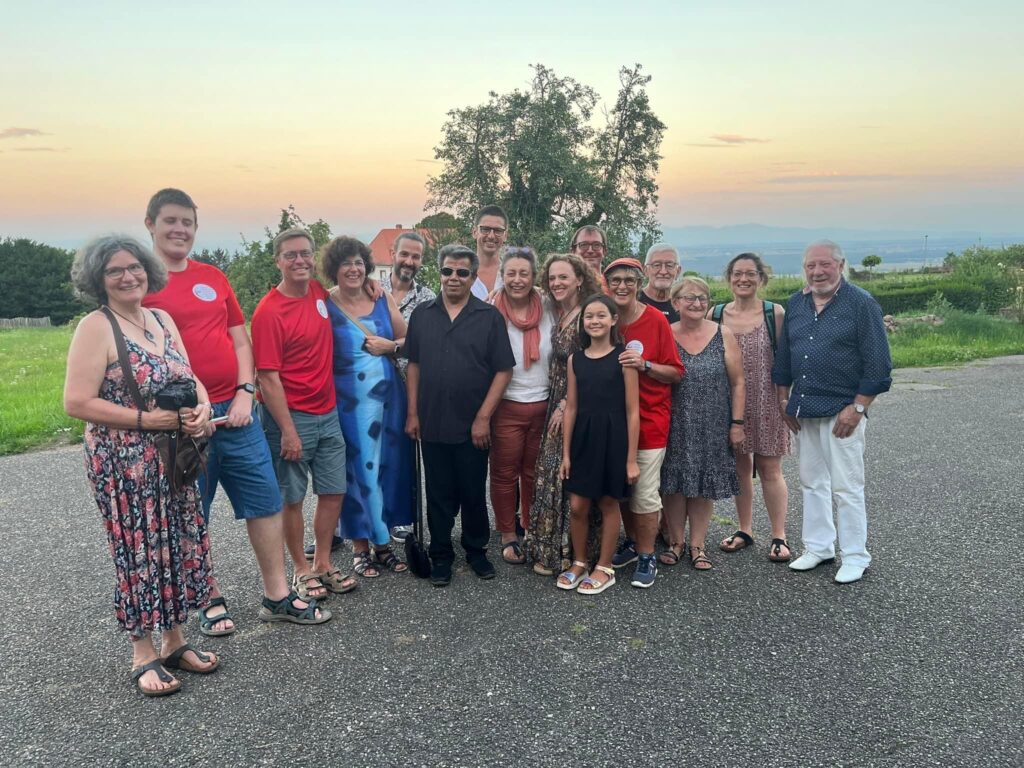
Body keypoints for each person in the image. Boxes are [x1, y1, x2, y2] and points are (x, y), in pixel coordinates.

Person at [142, 189, 328, 631]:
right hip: (183, 421)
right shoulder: (138, 282)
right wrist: (187, 410)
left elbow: (239, 337)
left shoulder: (213, 277)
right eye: (170, 221)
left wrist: (246, 391)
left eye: (187, 222)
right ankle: (207, 597)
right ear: (150, 224)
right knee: (191, 511)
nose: (179, 230)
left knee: (265, 503)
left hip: (237, 411)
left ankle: (277, 595)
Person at [65, 235, 219, 697]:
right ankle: (142, 653)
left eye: (133, 267)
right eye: (115, 271)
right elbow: (76, 402)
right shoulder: (96, 326)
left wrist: (203, 410)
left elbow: (190, 378)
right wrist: (146, 420)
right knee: (139, 551)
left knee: (176, 543)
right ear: (99, 280)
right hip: (123, 463)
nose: (128, 276)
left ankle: (174, 642)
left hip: (173, 458)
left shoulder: (161, 319)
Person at [773, 239, 892, 584]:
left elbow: (879, 365)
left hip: (844, 410)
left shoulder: (861, 304)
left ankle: (855, 556)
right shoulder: (797, 303)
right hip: (805, 408)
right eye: (811, 266)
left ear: (840, 266)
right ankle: (819, 547)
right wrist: (784, 401)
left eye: (825, 265)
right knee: (812, 482)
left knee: (847, 486)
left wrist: (857, 408)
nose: (817, 271)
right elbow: (784, 358)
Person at [251, 227, 357, 602]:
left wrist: (371, 289)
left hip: (327, 412)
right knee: (292, 498)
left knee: (333, 491)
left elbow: (343, 296)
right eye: (291, 255)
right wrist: (288, 431)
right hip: (290, 417)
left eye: (305, 254)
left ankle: (324, 562)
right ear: (278, 260)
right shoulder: (268, 312)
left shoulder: (316, 293)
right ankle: (300, 569)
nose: (300, 261)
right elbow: (267, 377)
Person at [404, 244, 515, 587]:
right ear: (439, 273)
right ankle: (440, 555)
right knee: (437, 491)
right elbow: (414, 365)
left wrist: (484, 417)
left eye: (462, 272)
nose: (453, 278)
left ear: (472, 277)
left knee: (471, 490)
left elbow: (503, 371)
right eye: (447, 271)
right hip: (432, 420)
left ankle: (476, 550)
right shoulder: (422, 314)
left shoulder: (489, 317)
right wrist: (412, 413)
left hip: (473, 425)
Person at [321, 236, 412, 577]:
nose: (354, 269)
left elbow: (408, 341)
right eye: (346, 263)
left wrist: (391, 346)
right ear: (335, 268)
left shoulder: (381, 296)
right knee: (356, 472)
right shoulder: (325, 304)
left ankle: (384, 543)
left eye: (359, 262)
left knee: (386, 468)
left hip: (389, 401)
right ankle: (361, 547)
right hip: (347, 403)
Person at [604, 257, 684, 588]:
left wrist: (645, 364)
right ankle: (634, 543)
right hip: (610, 422)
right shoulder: (601, 317)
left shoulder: (654, 320)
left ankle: (648, 553)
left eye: (629, 280)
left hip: (650, 419)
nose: (622, 286)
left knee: (645, 494)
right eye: (616, 281)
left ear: (639, 283)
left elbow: (677, 372)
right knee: (620, 492)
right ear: (607, 285)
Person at [709, 253, 792, 562]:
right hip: (730, 405)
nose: (743, 279)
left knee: (770, 469)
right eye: (737, 274)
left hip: (769, 401)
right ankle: (745, 530)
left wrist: (786, 401)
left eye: (750, 274)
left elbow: (786, 362)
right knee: (740, 468)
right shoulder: (715, 314)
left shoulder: (775, 313)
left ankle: (779, 536)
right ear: (729, 278)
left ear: (761, 278)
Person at [659, 278, 745, 571]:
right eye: (689, 298)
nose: (696, 303)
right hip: (674, 422)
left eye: (702, 298)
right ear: (675, 302)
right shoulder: (665, 334)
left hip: (714, 423)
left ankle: (697, 545)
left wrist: (737, 423)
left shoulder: (724, 334)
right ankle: (675, 542)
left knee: (703, 485)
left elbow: (738, 382)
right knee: (673, 485)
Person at [525, 254, 602, 576]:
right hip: (559, 398)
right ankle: (557, 549)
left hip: (577, 405)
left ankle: (572, 553)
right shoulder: (563, 311)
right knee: (554, 474)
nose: (557, 283)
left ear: (580, 279)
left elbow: (596, 362)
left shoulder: (589, 314)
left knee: (565, 475)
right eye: (552, 278)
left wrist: (565, 403)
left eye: (564, 277)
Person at [558, 295, 640, 594]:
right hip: (583, 438)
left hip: (614, 438)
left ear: (613, 320)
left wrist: (631, 459)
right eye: (589, 316)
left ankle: (604, 567)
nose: (594, 321)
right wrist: (566, 454)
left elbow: (633, 411)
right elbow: (571, 408)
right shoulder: (575, 360)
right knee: (578, 505)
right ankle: (579, 562)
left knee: (608, 502)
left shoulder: (624, 358)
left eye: (601, 315)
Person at [489, 247, 553, 564]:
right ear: (502, 276)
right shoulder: (490, 309)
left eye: (523, 273)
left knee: (532, 473)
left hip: (543, 403)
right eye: (511, 273)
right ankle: (508, 534)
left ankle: (530, 528)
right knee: (503, 472)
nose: (517, 280)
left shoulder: (549, 308)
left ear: (533, 276)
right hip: (506, 404)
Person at [380, 231, 436, 543]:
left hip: (407, 384)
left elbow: (422, 344)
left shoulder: (427, 299)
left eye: (416, 257)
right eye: (405, 255)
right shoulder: (370, 289)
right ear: (393, 253)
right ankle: (354, 519)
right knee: (362, 452)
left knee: (401, 453)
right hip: (368, 384)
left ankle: (400, 519)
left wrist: (389, 346)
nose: (409, 262)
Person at [471, 205, 509, 299]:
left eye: (498, 230)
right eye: (485, 229)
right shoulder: (458, 274)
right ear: (475, 232)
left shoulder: (513, 275)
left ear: (505, 236)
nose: (491, 236)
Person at [639, 242, 682, 324]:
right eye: (656, 265)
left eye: (669, 265)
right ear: (646, 270)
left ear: (678, 271)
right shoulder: (634, 302)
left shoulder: (684, 305)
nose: (663, 271)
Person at [569, 225, 609, 290]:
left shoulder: (613, 288)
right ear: (573, 251)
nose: (590, 250)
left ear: (604, 251)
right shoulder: (564, 287)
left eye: (596, 245)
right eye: (584, 245)